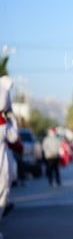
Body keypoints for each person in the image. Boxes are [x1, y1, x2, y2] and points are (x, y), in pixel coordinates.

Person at [0, 57, 18, 224]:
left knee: (3, 192)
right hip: (2, 162)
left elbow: (13, 138)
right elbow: (12, 136)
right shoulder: (3, 123)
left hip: (4, 162)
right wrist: (11, 118)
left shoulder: (3, 121)